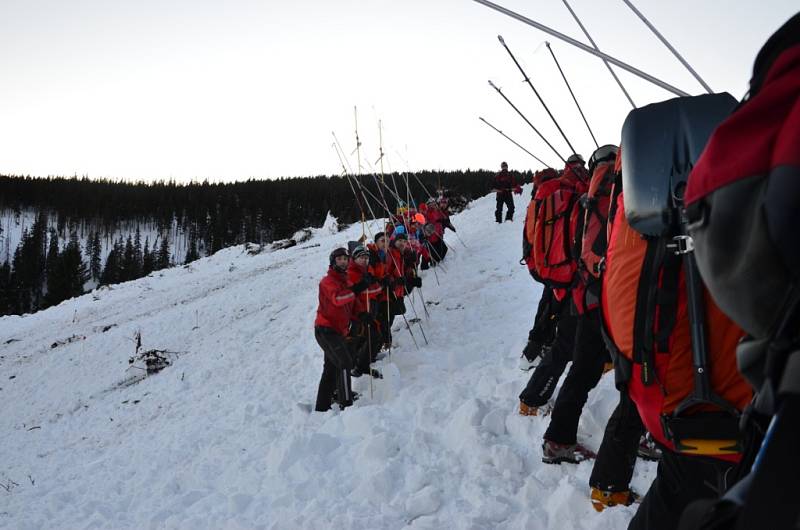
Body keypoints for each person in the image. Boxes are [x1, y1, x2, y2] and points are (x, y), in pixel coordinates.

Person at [314, 247, 365, 411]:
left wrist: (362, 315)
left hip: (337, 330)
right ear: (333, 262)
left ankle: (322, 406)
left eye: (345, 259)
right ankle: (346, 401)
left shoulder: (347, 280)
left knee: (330, 368)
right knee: (345, 362)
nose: (343, 262)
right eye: (339, 259)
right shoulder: (327, 282)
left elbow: (353, 302)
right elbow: (338, 299)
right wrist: (356, 289)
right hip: (325, 329)